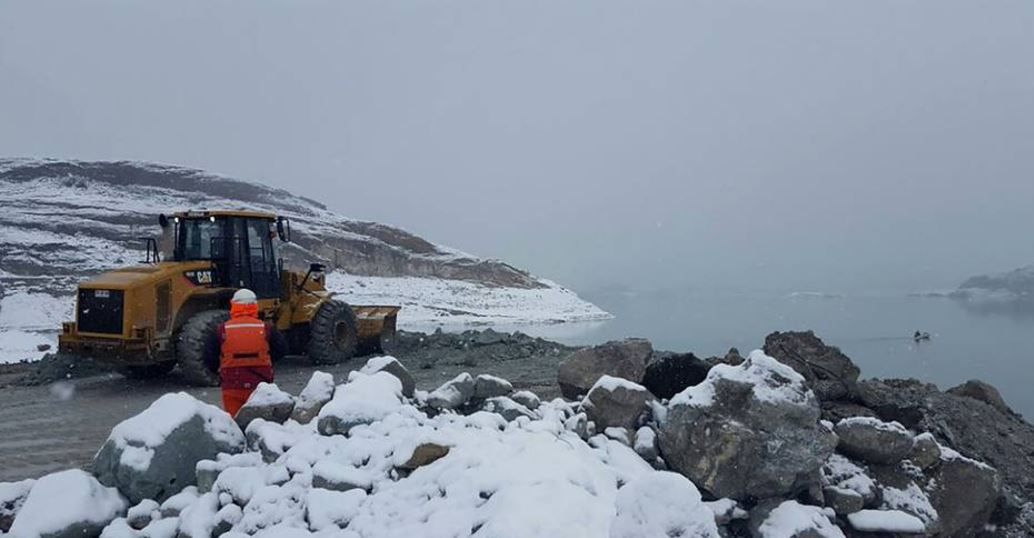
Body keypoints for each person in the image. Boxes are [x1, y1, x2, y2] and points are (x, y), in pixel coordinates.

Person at [219, 288, 275, 416]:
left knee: (235, 422)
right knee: (261, 424)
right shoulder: (265, 328)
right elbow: (281, 349)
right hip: (260, 384)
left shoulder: (223, 329)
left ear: (233, 305)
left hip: (232, 383)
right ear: (255, 306)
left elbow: (209, 355)